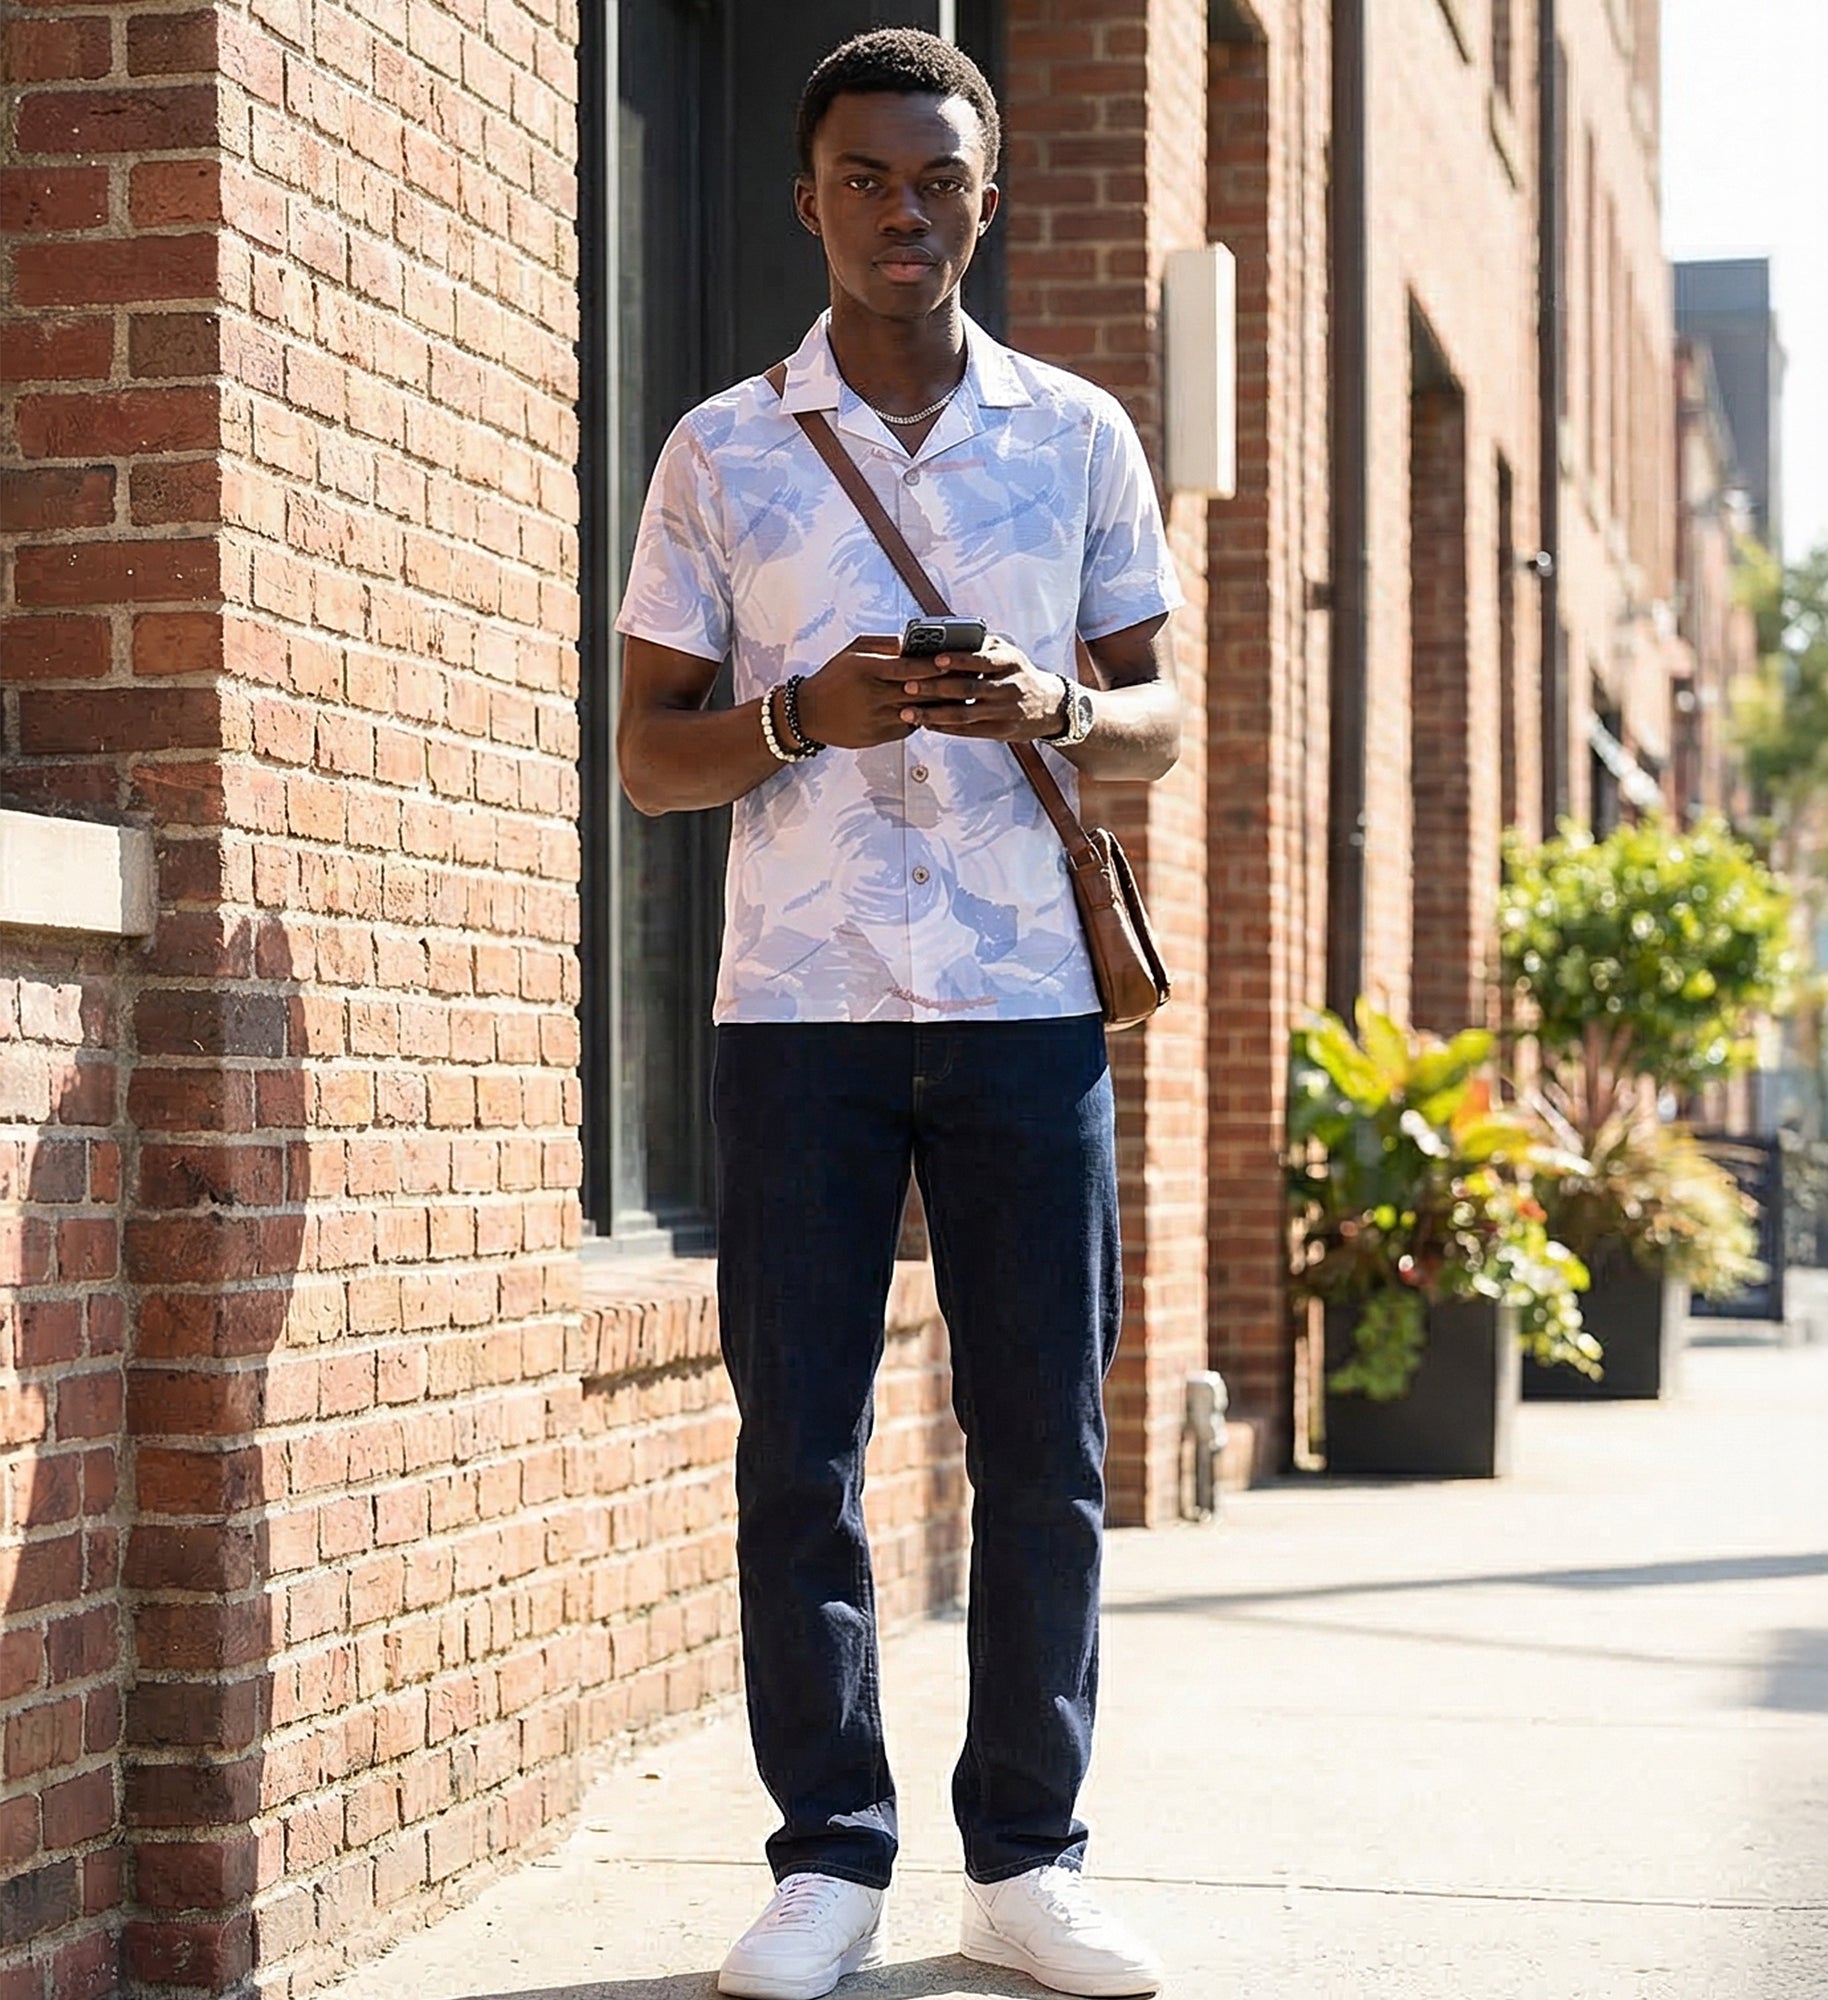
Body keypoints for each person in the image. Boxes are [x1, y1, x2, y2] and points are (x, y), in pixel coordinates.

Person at [615, 28, 1180, 2000]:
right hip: (800, 1010)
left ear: (984, 198)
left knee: (1045, 1441)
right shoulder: (720, 448)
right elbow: (646, 759)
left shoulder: (1078, 436)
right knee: (803, 1451)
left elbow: (1165, 721)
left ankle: (1026, 1858)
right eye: (865, 176)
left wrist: (1065, 710)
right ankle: (827, 1860)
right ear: (809, 199)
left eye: (935, 180)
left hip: (1028, 1003)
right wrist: (800, 715)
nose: (901, 211)